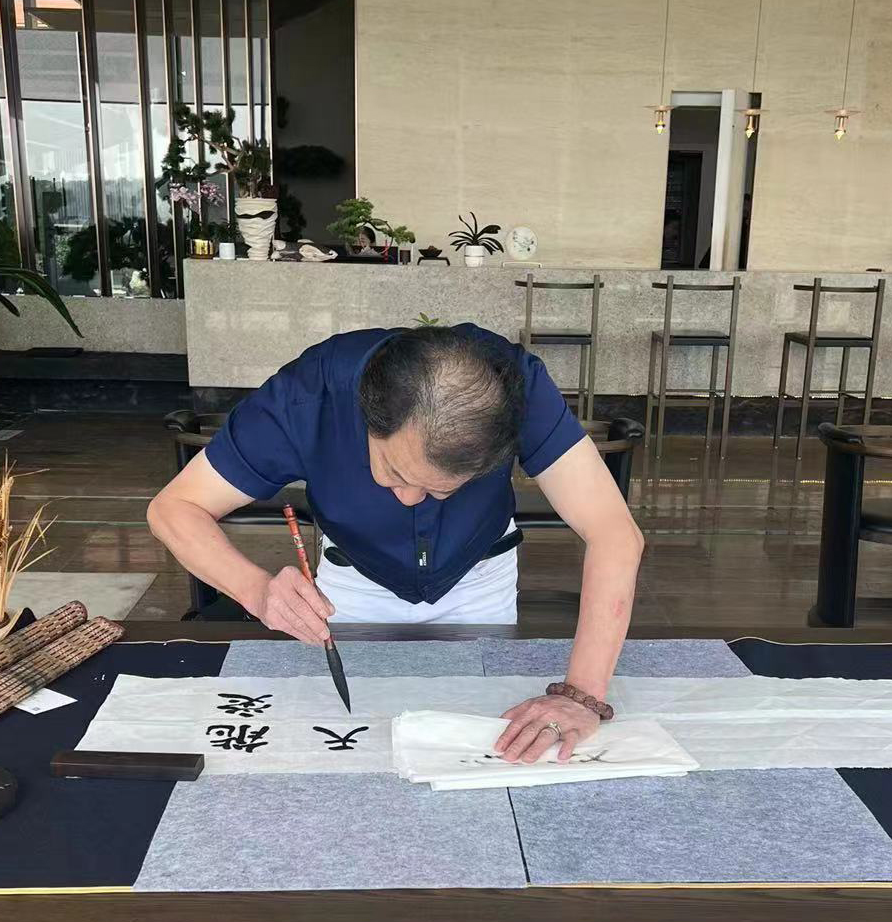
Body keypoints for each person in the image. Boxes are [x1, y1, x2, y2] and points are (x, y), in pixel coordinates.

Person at [148, 323, 645, 767]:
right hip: (353, 586)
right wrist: (255, 590)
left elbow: (613, 532)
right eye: (395, 472)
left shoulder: (517, 391)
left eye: (440, 490)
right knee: (354, 745)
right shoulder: (311, 395)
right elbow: (175, 508)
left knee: (481, 745)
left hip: (477, 580)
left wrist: (581, 695)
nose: (409, 500)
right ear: (369, 414)